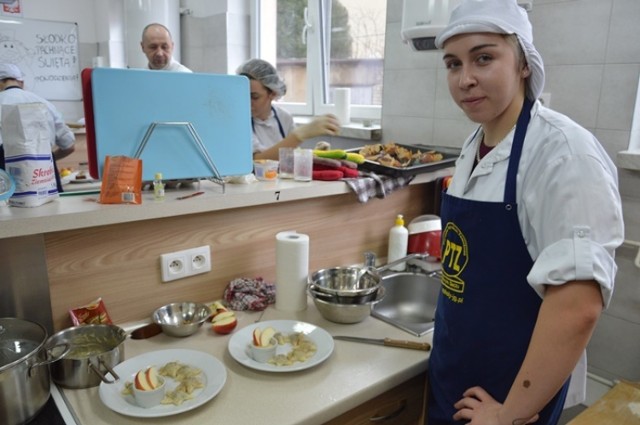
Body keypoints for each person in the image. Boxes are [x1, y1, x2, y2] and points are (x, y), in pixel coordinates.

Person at [428, 1, 624, 424]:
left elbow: (577, 306)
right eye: (452, 63)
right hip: (455, 373)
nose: (465, 79)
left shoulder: (563, 154)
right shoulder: (474, 145)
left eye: (484, 57)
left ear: (522, 64)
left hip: (509, 392)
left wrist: (509, 413)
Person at [236, 58, 340, 160]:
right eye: (242, 95)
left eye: (254, 97)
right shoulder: (238, 121)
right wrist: (299, 135)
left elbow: (291, 154)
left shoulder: (283, 117)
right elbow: (257, 160)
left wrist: (314, 154)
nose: (247, 102)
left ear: (273, 93)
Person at [0, 63, 75, 193]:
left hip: (6, 176)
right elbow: (69, 146)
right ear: (20, 82)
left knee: (10, 211)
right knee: (53, 211)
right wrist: (38, 162)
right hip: (44, 173)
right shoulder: (45, 103)